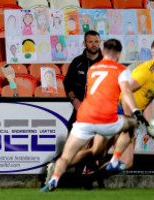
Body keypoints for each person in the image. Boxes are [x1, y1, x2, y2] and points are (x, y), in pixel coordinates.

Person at [43, 39, 146, 192]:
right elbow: (126, 91)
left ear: (103, 52)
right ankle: (115, 160)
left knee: (75, 154)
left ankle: (54, 177)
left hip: (85, 117)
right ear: (118, 54)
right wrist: (135, 110)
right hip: (106, 118)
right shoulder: (121, 69)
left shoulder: (93, 69)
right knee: (132, 123)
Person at [119, 38, 154, 168]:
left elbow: (148, 101)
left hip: (127, 117)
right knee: (121, 159)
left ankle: (95, 177)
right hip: (118, 112)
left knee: (126, 162)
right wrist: (128, 117)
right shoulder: (146, 71)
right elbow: (125, 90)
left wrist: (148, 125)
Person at [63, 31, 103, 129]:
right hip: (81, 109)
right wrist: (74, 99)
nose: (94, 45)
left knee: (102, 143)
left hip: (102, 110)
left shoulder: (107, 62)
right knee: (72, 138)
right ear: (84, 43)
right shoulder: (77, 62)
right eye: (90, 42)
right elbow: (68, 83)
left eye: (96, 42)